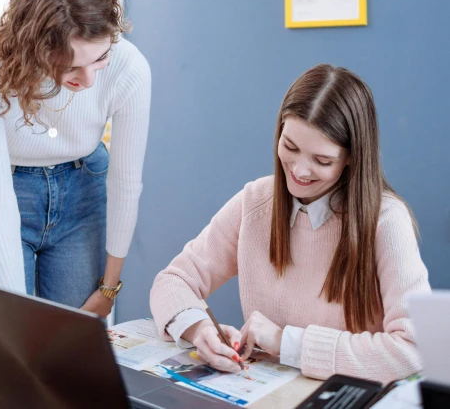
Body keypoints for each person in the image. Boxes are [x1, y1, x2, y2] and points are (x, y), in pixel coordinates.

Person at [150, 65, 430, 383]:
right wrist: (198, 328)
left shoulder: (386, 221)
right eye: (290, 147)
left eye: (322, 160)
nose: (299, 170)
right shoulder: (254, 202)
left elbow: (415, 348)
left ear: (352, 157)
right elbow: (173, 281)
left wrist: (287, 343)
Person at [0, 0, 151, 317]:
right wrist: (14, 321)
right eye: (70, 67)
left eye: (100, 58)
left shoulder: (130, 67)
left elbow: (125, 183)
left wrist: (109, 287)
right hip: (4, 188)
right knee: (3, 342)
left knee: (73, 351)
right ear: (35, 53)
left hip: (83, 193)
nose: (89, 79)